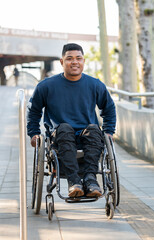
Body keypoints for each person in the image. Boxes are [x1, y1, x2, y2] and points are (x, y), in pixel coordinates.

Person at [27, 43, 116, 198]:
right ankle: (74, 181)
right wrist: (34, 133)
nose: (74, 62)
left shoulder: (95, 85)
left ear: (83, 61)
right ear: (62, 62)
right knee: (65, 128)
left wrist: (108, 131)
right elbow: (33, 111)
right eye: (69, 58)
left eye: (78, 58)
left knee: (95, 129)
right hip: (60, 137)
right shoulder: (46, 86)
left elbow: (109, 108)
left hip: (87, 137)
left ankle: (90, 180)